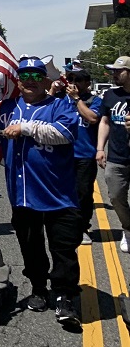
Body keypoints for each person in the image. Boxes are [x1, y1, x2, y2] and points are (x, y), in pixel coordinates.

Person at [0, 56, 81, 328]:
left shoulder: (61, 106)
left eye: (36, 77)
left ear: (46, 81)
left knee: (64, 251)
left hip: (58, 195)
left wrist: (25, 128)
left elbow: (64, 134)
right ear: (17, 80)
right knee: (31, 247)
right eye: (24, 76)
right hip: (23, 195)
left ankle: (65, 296)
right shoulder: (6, 107)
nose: (30, 81)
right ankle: (39, 288)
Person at [96, 55, 130, 253]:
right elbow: (104, 121)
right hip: (116, 157)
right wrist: (101, 148)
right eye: (113, 71)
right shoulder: (110, 95)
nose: (114, 74)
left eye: (119, 71)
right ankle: (127, 228)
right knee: (116, 196)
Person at [68, 67, 102, 244]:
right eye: (71, 80)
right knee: (65, 192)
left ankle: (83, 227)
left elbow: (92, 118)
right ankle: (68, 226)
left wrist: (77, 100)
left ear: (87, 83)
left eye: (77, 80)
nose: (73, 84)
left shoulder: (94, 100)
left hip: (85, 155)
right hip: (65, 155)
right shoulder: (64, 100)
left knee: (83, 193)